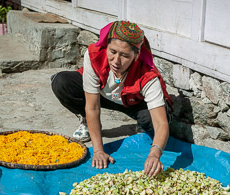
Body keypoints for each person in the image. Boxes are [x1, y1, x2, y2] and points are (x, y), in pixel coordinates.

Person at [51, 21, 173, 177]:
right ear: (106, 46)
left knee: (154, 122)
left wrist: (155, 154)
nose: (116, 61)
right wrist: (98, 150)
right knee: (62, 82)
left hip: (135, 102)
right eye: (112, 52)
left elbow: (161, 123)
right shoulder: (95, 56)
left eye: (125, 56)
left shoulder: (147, 76)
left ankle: (141, 128)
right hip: (106, 96)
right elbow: (93, 107)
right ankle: (88, 123)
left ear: (136, 56)